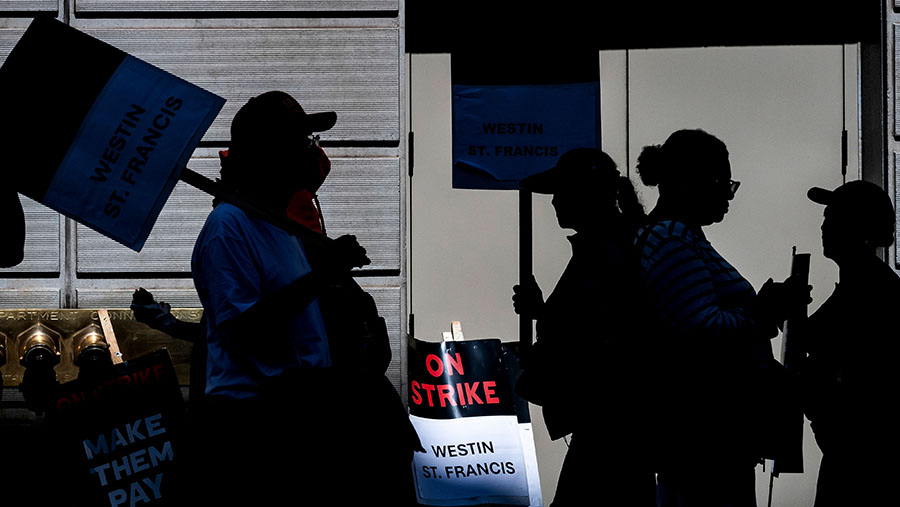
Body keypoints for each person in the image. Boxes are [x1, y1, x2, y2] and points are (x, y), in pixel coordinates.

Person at [190, 91, 369, 504]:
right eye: (304, 140)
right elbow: (243, 333)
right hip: (253, 427)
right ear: (271, 154)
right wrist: (321, 276)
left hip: (299, 416)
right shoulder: (227, 228)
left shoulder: (281, 227)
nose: (313, 151)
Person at [634, 129, 807, 506]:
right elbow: (700, 329)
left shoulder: (672, 237)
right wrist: (762, 315)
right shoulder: (672, 238)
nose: (728, 195)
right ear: (686, 182)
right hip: (706, 433)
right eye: (721, 182)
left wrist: (760, 309)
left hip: (705, 431)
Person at [512, 148, 655, 506]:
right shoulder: (609, 245)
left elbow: (598, 337)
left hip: (610, 426)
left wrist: (541, 314)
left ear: (587, 194)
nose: (555, 201)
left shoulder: (608, 251)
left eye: (563, 191)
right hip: (613, 426)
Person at [800, 180, 899, 507]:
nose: (825, 225)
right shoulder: (862, 286)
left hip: (862, 469)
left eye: (835, 217)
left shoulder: (874, 294)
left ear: (861, 229)